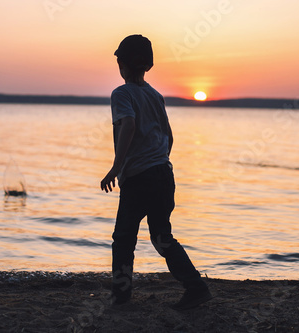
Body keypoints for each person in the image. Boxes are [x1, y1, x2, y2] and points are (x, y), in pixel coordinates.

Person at [100, 34, 212, 310]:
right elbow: (168, 136)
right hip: (163, 173)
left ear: (122, 64)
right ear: (147, 66)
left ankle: (121, 296)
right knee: (162, 236)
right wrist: (160, 161)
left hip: (140, 178)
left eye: (118, 60)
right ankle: (196, 287)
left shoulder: (122, 94)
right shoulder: (155, 95)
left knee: (124, 239)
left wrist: (117, 166)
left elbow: (128, 124)